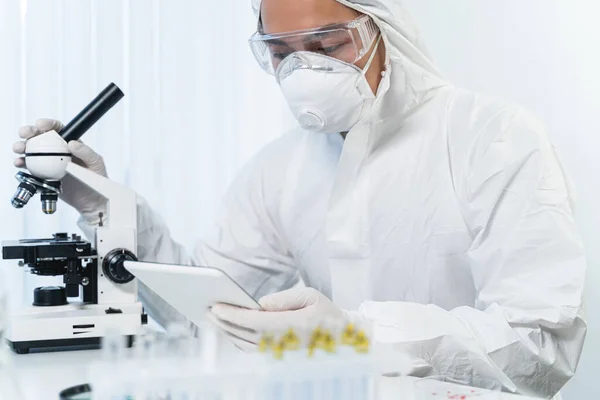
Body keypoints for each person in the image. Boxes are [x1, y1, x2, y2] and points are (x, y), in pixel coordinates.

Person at [14, 0, 586, 398]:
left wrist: (356, 334)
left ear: (385, 32)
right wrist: (102, 202)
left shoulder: (492, 137)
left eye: (328, 43)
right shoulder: (281, 167)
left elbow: (539, 350)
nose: (304, 68)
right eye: (281, 51)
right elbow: (208, 311)